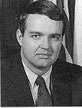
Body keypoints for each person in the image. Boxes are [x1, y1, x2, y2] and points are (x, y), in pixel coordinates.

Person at [1, 0, 82, 106]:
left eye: (54, 37)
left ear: (61, 40)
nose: (46, 46)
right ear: (20, 37)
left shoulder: (78, 78)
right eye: (36, 36)